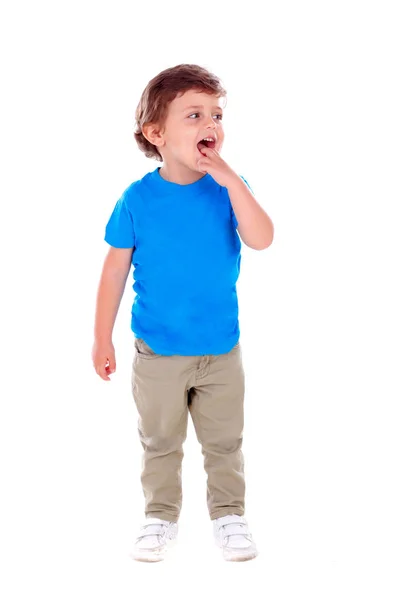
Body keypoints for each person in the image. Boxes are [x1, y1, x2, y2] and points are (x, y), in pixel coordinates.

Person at [92, 63, 274, 562]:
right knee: (160, 441)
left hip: (220, 351)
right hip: (158, 352)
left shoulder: (228, 190)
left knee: (224, 442)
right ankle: (160, 516)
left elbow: (262, 238)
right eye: (194, 115)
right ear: (156, 133)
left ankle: (229, 516)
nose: (210, 124)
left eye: (216, 114)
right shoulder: (137, 199)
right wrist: (101, 338)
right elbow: (113, 273)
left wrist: (232, 178)